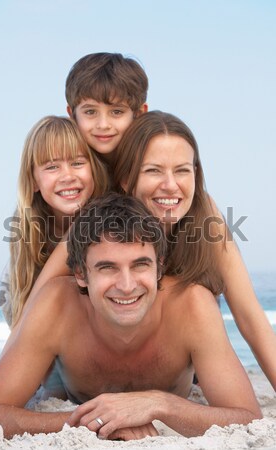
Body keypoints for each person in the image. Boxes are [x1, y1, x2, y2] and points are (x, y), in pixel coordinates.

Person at [0, 193, 262, 441]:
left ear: (159, 268)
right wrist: (100, 421)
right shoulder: (56, 304)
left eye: (140, 265)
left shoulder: (192, 304)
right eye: (108, 268)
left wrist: (158, 403)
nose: (126, 285)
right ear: (81, 275)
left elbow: (249, 418)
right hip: (68, 389)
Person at [26, 111, 276, 392]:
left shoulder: (206, 218)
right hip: (96, 364)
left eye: (182, 170)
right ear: (125, 179)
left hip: (175, 360)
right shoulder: (98, 220)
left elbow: (250, 318)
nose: (170, 185)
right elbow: (35, 312)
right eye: (153, 170)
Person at [0, 115, 109, 328]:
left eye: (77, 163)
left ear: (94, 170)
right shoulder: (25, 245)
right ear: (33, 181)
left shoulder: (110, 226)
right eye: (51, 167)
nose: (67, 176)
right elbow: (22, 328)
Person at [65, 52, 148, 164]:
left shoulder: (154, 162)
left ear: (139, 114)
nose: (103, 125)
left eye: (117, 112)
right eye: (90, 112)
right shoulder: (66, 172)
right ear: (72, 114)